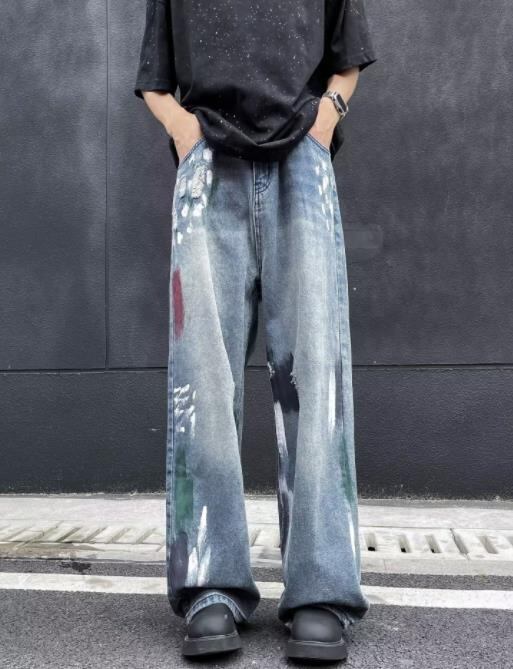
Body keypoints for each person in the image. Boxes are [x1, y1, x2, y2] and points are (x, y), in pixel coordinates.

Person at [134, 0, 377, 661]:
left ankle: (320, 590)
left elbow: (348, 56)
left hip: (302, 161)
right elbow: (154, 77)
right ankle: (210, 585)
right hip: (208, 163)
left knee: (315, 373)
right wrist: (183, 132)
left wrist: (325, 122)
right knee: (204, 378)